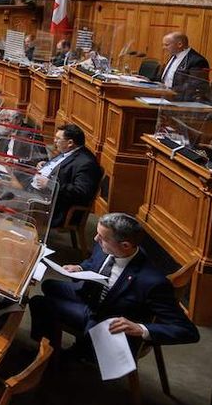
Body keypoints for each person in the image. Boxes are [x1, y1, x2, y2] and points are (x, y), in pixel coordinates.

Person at [29, 213, 199, 356]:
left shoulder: (152, 282)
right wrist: (80, 267)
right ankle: (56, 343)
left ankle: (57, 355)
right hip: (92, 293)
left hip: (104, 315)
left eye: (102, 238)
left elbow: (187, 332)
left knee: (38, 302)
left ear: (125, 245)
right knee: (48, 285)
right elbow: (93, 262)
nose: (96, 239)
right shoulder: (107, 246)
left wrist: (140, 329)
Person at [32, 124, 102, 227]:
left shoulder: (86, 163)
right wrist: (46, 166)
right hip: (41, 193)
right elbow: (61, 165)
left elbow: (81, 193)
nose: (54, 141)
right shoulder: (70, 151)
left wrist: (51, 184)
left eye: (58, 139)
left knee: (12, 202)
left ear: (70, 143)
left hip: (57, 208)